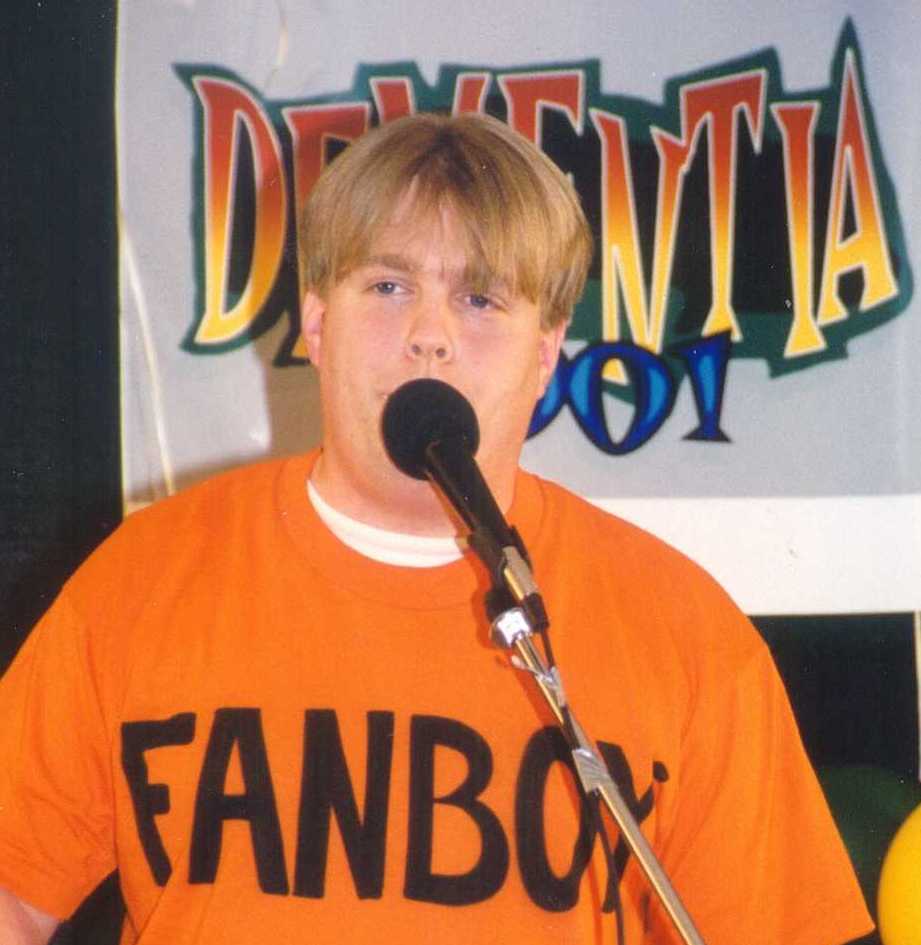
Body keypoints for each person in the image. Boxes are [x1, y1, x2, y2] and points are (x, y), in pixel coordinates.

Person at [0, 113, 872, 945]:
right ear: (316, 322)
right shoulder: (147, 577)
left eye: (480, 299)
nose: (429, 336)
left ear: (545, 353)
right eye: (388, 286)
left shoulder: (680, 627)